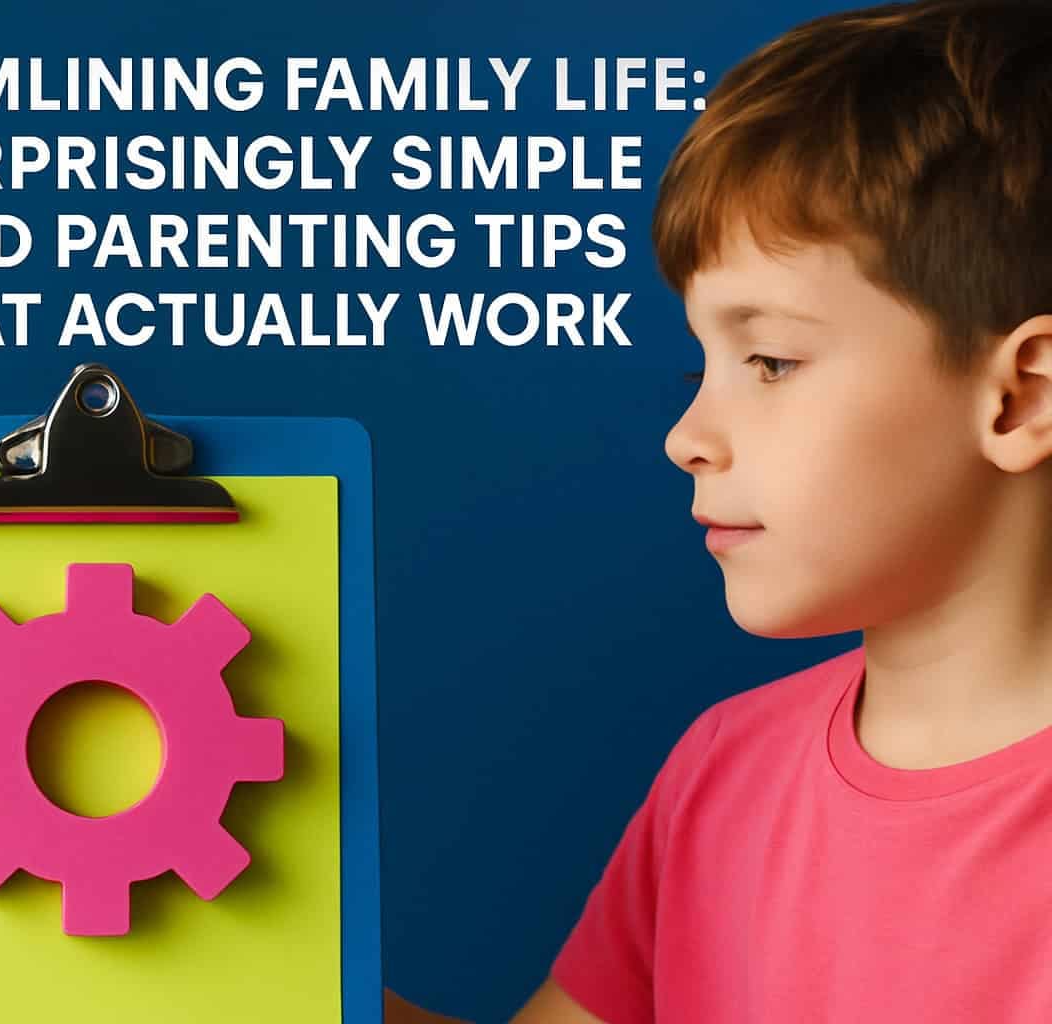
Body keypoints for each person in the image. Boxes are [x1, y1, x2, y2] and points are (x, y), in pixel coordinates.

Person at [385, 0, 1052, 1020]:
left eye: (771, 360)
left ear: (1021, 397)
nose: (689, 434)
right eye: (706, 358)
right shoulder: (721, 768)